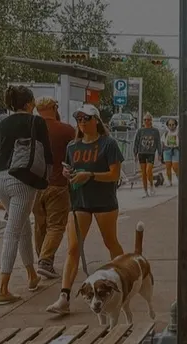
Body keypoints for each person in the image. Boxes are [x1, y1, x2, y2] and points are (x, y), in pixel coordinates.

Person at [46, 104, 125, 315]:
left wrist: (89, 175)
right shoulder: (73, 146)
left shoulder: (108, 144)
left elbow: (114, 175)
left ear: (96, 121)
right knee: (73, 247)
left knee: (111, 242)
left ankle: (124, 279)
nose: (81, 122)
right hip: (79, 201)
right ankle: (64, 297)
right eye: (79, 119)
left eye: (86, 118)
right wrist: (68, 173)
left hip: (104, 201)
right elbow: (70, 169)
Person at [0, 85, 53, 305]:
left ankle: (32, 275)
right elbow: (47, 153)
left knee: (23, 225)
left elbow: (0, 151)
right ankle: (3, 288)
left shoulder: (2, 123)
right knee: (13, 231)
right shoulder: (36, 122)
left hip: (0, 179)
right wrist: (46, 178)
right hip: (22, 179)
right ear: (28, 104)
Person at [32, 97, 76, 279]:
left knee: (40, 225)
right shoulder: (66, 130)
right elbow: (76, 154)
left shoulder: (30, 128)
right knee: (56, 226)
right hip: (57, 183)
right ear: (53, 107)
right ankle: (45, 261)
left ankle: (42, 259)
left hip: (34, 185)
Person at [133, 113, 162, 197]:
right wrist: (135, 153)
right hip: (141, 153)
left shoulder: (155, 131)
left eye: (148, 119)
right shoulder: (140, 131)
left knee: (148, 170)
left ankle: (151, 185)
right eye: (145, 119)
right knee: (143, 173)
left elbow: (158, 143)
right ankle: (145, 191)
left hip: (151, 153)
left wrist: (159, 153)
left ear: (151, 121)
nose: (146, 121)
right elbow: (136, 142)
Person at [161, 118, 179, 186]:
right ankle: (169, 181)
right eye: (169, 125)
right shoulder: (166, 133)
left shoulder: (178, 133)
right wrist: (161, 152)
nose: (171, 126)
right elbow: (162, 143)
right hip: (167, 151)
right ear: (167, 125)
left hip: (176, 150)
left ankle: (179, 179)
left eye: (173, 124)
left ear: (176, 125)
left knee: (175, 167)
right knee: (168, 167)